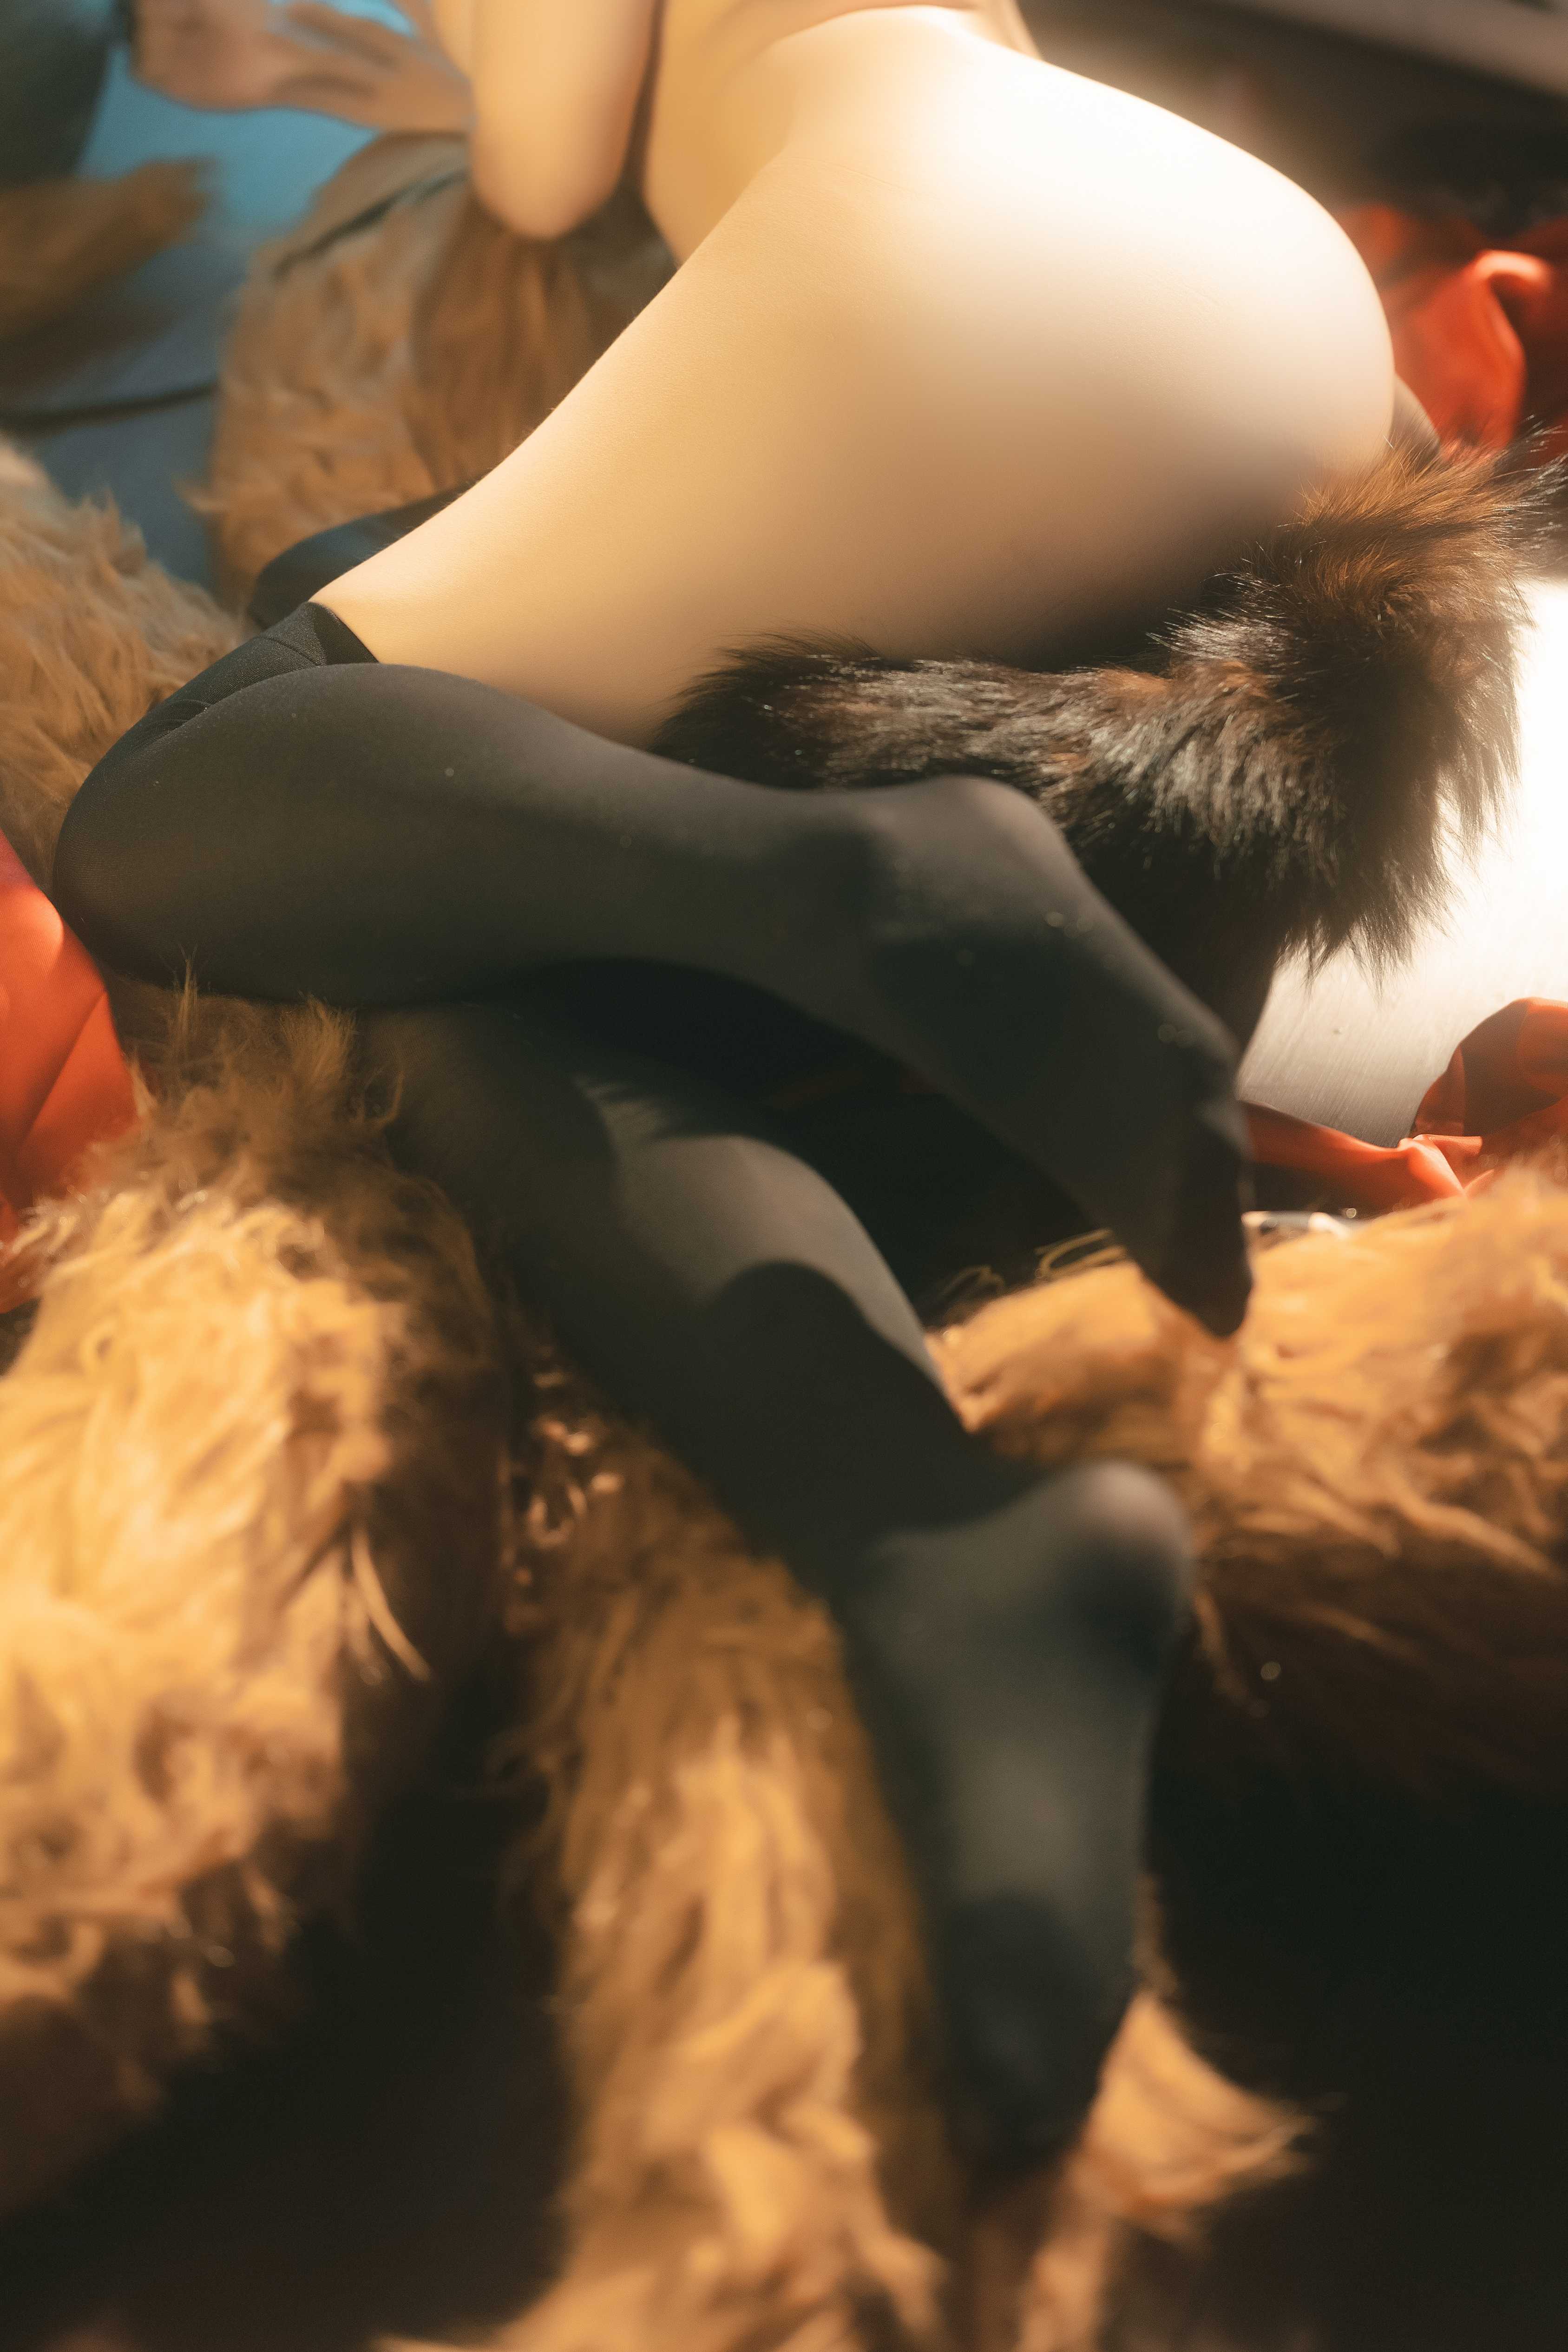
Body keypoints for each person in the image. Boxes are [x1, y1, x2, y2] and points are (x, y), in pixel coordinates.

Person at [57, 0, 1399, 2169]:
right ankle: (933, 1546)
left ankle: (848, 888)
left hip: (975, 273)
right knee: (441, 930)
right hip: (1272, 322)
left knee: (168, 816)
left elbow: (536, 163)